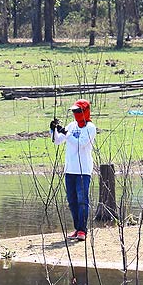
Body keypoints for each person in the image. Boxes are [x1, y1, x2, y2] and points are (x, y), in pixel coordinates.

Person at [50, 99, 96, 240]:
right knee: (72, 201)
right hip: (70, 169)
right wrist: (53, 130)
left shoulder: (90, 128)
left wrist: (66, 132)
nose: (75, 114)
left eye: (78, 111)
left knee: (82, 200)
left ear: (85, 112)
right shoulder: (72, 125)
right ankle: (77, 229)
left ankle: (82, 230)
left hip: (83, 170)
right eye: (74, 111)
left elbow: (80, 144)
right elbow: (57, 141)